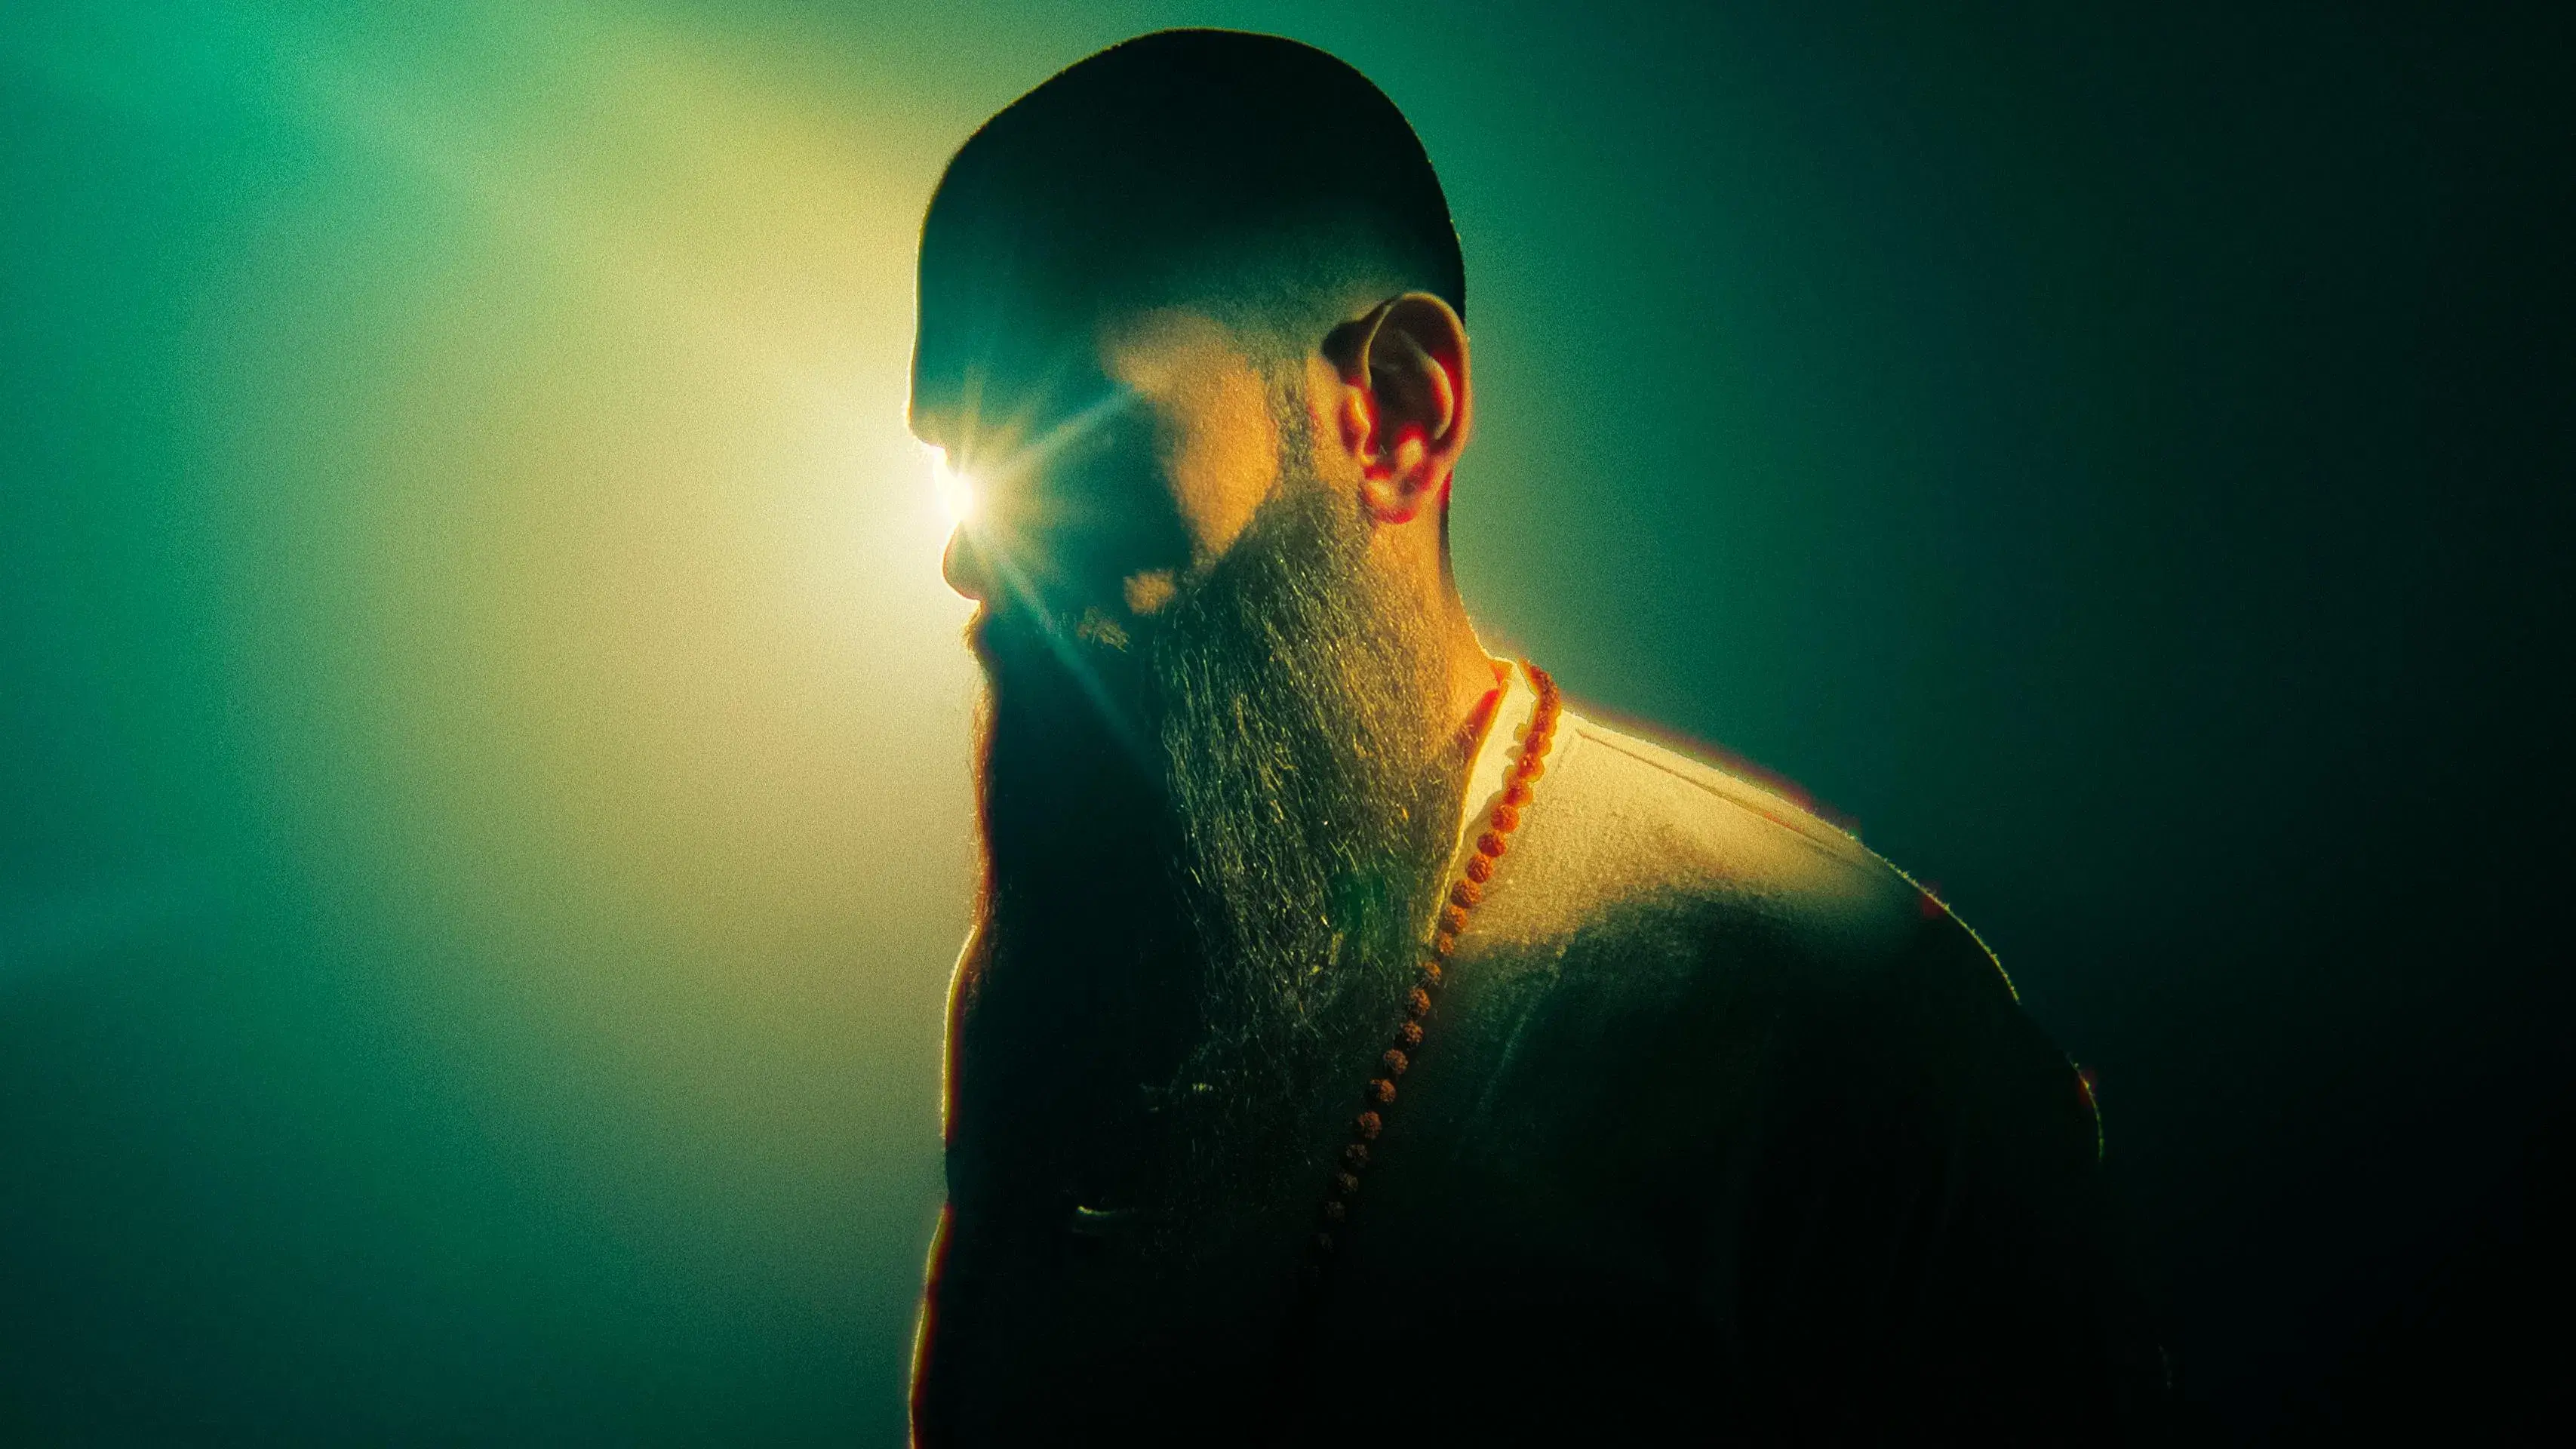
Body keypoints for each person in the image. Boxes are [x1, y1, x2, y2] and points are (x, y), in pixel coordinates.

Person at [905, 29, 2158, 1446]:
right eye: (958, 459)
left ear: (1394, 415)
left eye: (1073, 435)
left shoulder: (1839, 1031)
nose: (970, 556)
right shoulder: (1041, 992)